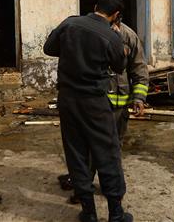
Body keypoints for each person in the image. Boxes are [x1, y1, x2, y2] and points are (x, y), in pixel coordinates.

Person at [44, 0, 133, 222]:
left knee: (76, 153)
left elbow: (49, 48)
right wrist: (120, 46)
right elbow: (120, 65)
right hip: (95, 102)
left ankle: (89, 213)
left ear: (95, 6)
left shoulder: (70, 23)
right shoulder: (111, 35)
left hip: (68, 100)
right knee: (107, 154)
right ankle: (116, 213)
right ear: (115, 15)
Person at [59, 18, 149, 203]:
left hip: (117, 108)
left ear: (118, 17)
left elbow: (139, 68)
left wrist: (139, 98)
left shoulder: (129, 36)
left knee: (112, 151)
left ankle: (113, 193)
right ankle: (84, 190)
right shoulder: (91, 32)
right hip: (94, 103)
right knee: (89, 148)